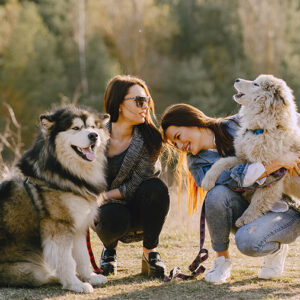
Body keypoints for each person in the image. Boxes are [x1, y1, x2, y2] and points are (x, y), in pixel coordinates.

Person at [161, 103, 300, 283]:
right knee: (217, 194)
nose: (180, 146)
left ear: (192, 122)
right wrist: (277, 163)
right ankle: (222, 261)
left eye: (178, 137)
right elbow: (234, 179)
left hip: (284, 207)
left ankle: (274, 239)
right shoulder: (197, 163)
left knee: (251, 242)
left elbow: (289, 117)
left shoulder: (238, 124)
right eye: (175, 144)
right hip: (249, 209)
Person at [95, 75, 169, 279]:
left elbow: (137, 184)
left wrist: (103, 196)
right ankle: (109, 251)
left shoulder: (150, 140)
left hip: (139, 209)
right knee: (111, 215)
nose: (145, 106)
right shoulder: (94, 135)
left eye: (146, 100)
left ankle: (150, 254)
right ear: (119, 105)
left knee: (156, 188)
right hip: (108, 214)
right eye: (139, 101)